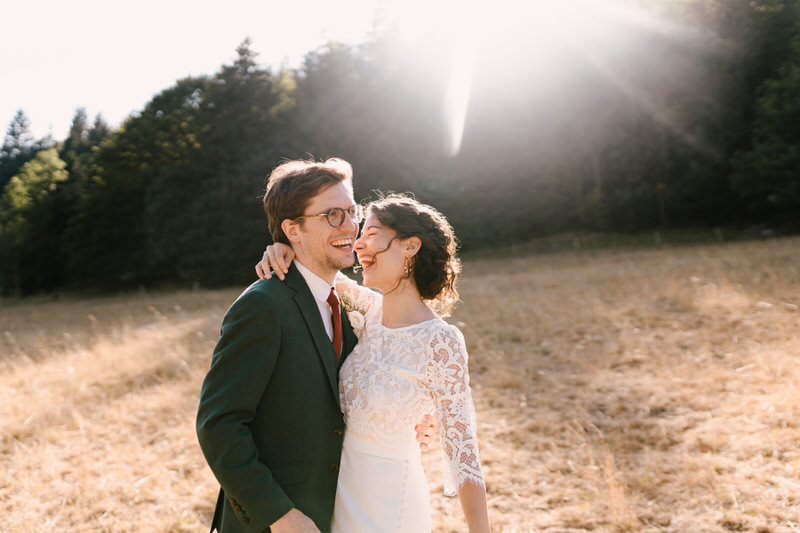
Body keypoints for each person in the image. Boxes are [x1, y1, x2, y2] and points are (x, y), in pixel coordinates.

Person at [196, 158, 434, 533]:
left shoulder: (349, 304)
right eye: (333, 215)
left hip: (346, 511)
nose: (351, 226)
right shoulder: (264, 306)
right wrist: (279, 515)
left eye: (352, 212)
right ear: (293, 228)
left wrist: (408, 415)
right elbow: (219, 425)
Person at [256, 193, 491, 532]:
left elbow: (464, 454)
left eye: (372, 234)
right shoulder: (368, 313)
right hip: (336, 493)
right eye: (360, 235)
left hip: (389, 502)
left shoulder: (441, 341)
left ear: (409, 246)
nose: (358, 245)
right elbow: (315, 267)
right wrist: (280, 248)